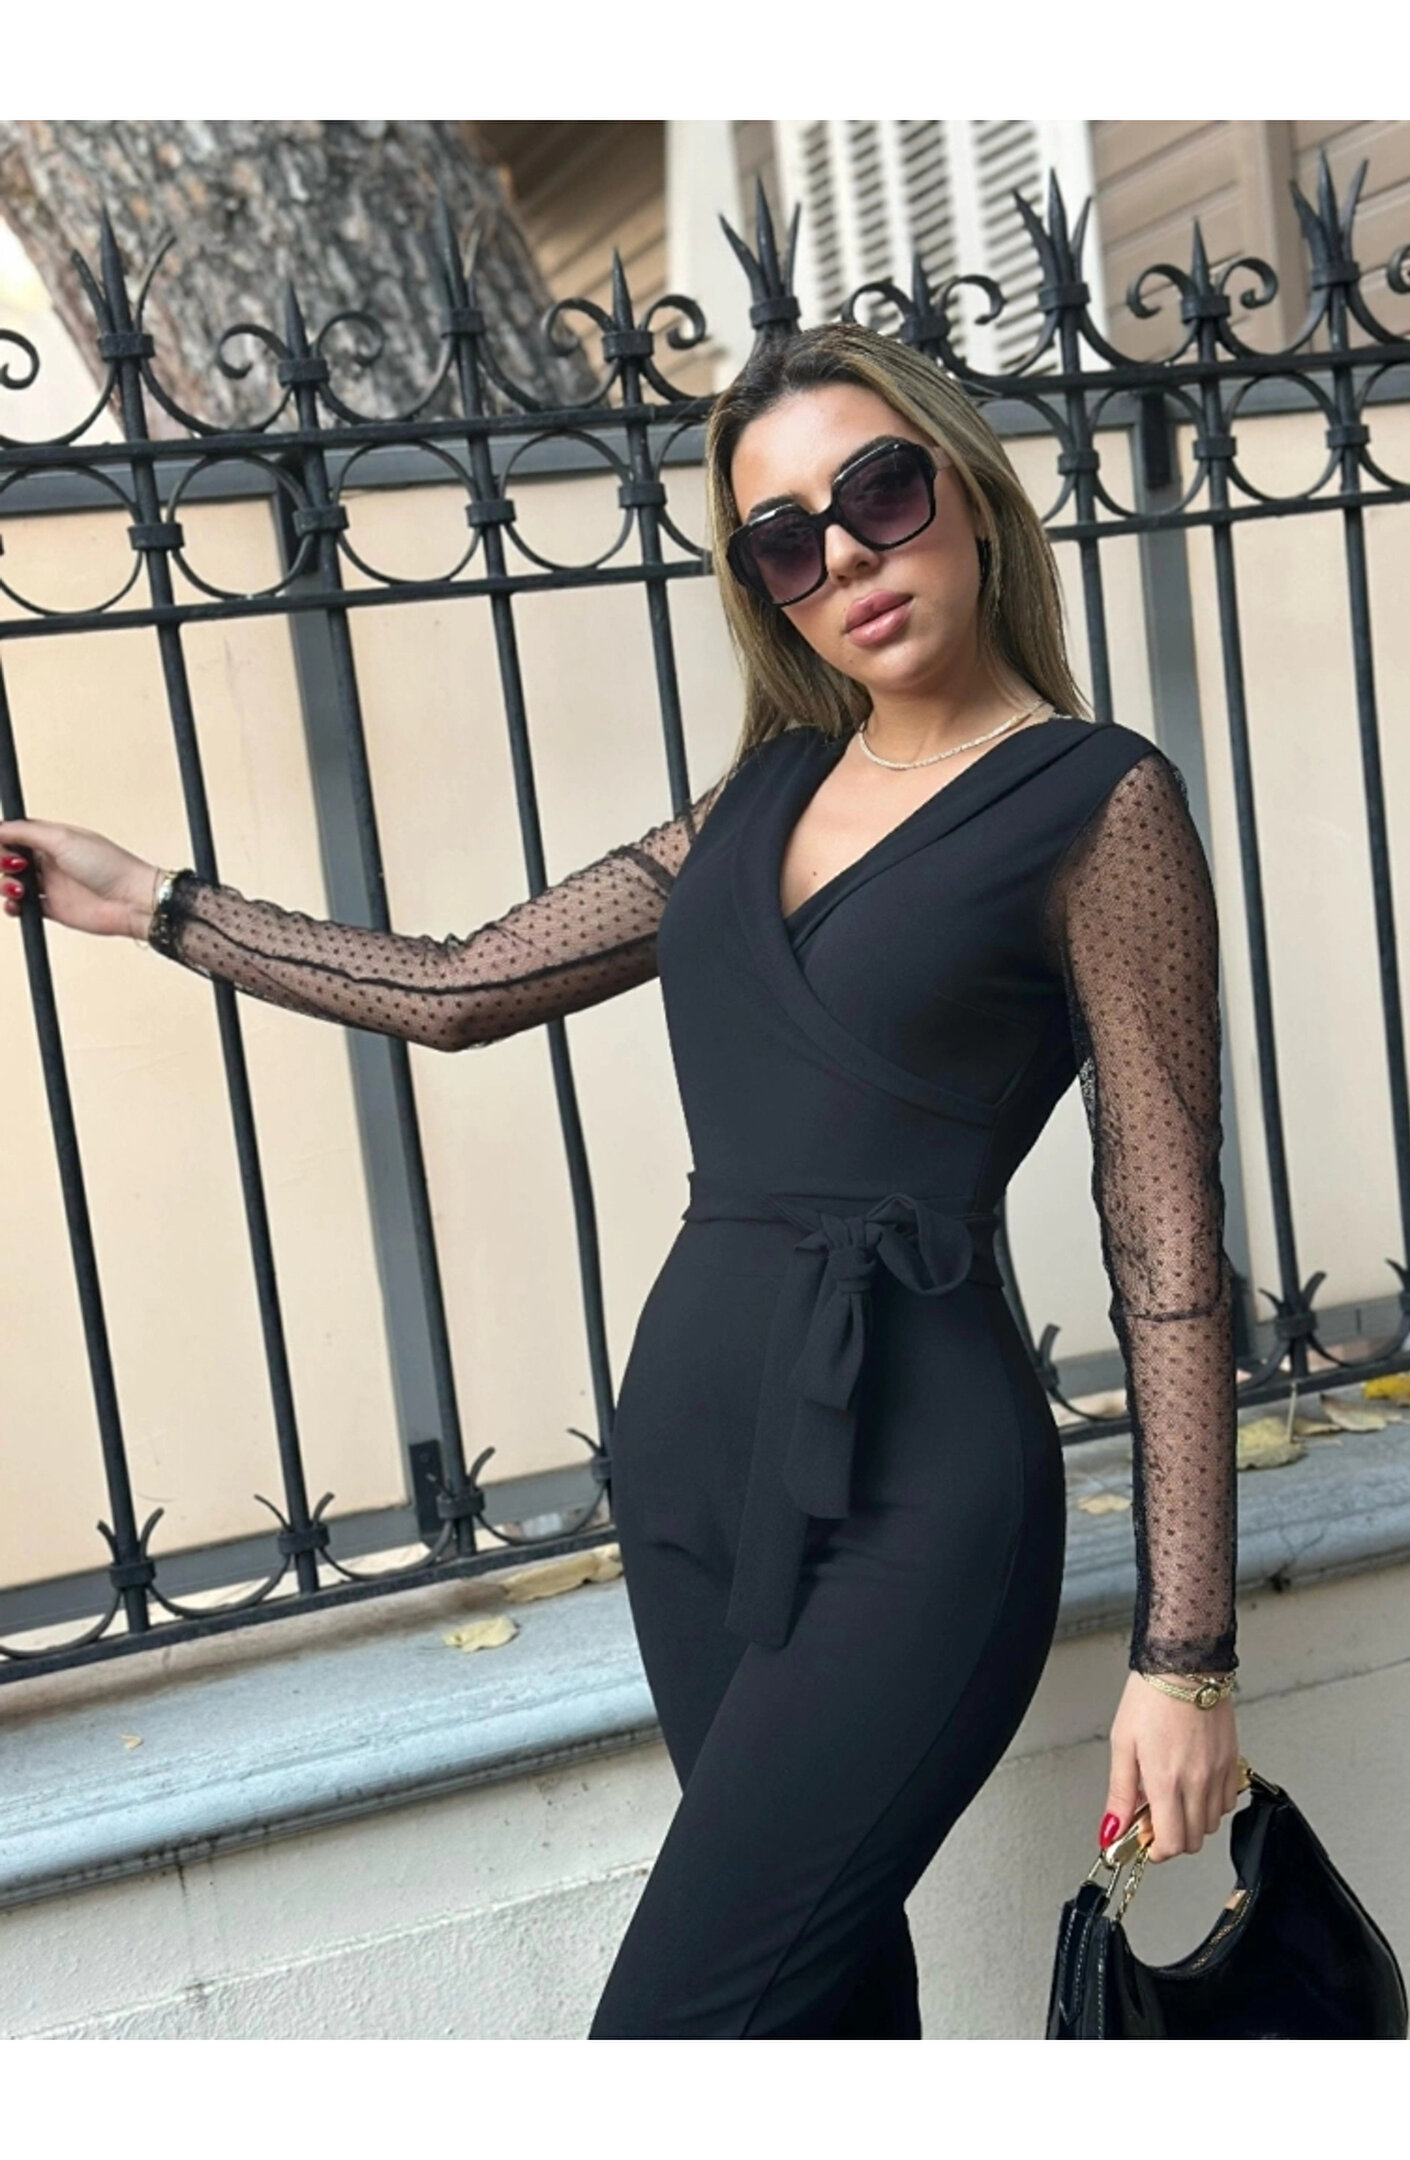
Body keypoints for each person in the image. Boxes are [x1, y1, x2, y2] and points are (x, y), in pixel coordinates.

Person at [0, 322, 1241, 2039]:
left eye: (879, 491)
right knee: (812, 2015)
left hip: (921, 1495)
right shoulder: (761, 795)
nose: (846, 556)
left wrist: (1186, 1656)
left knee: (674, 2036)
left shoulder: (1098, 802)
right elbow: (458, 988)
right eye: (785, 540)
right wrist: (156, 901)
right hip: (692, 1469)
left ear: (964, 489)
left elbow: (1165, 1239)